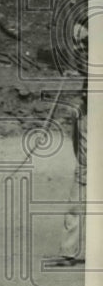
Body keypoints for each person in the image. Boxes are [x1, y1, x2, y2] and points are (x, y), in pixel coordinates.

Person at [47, 87, 88, 267]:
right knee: (74, 209)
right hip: (85, 168)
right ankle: (68, 254)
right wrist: (82, 162)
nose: (86, 95)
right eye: (85, 91)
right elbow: (75, 141)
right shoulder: (78, 112)